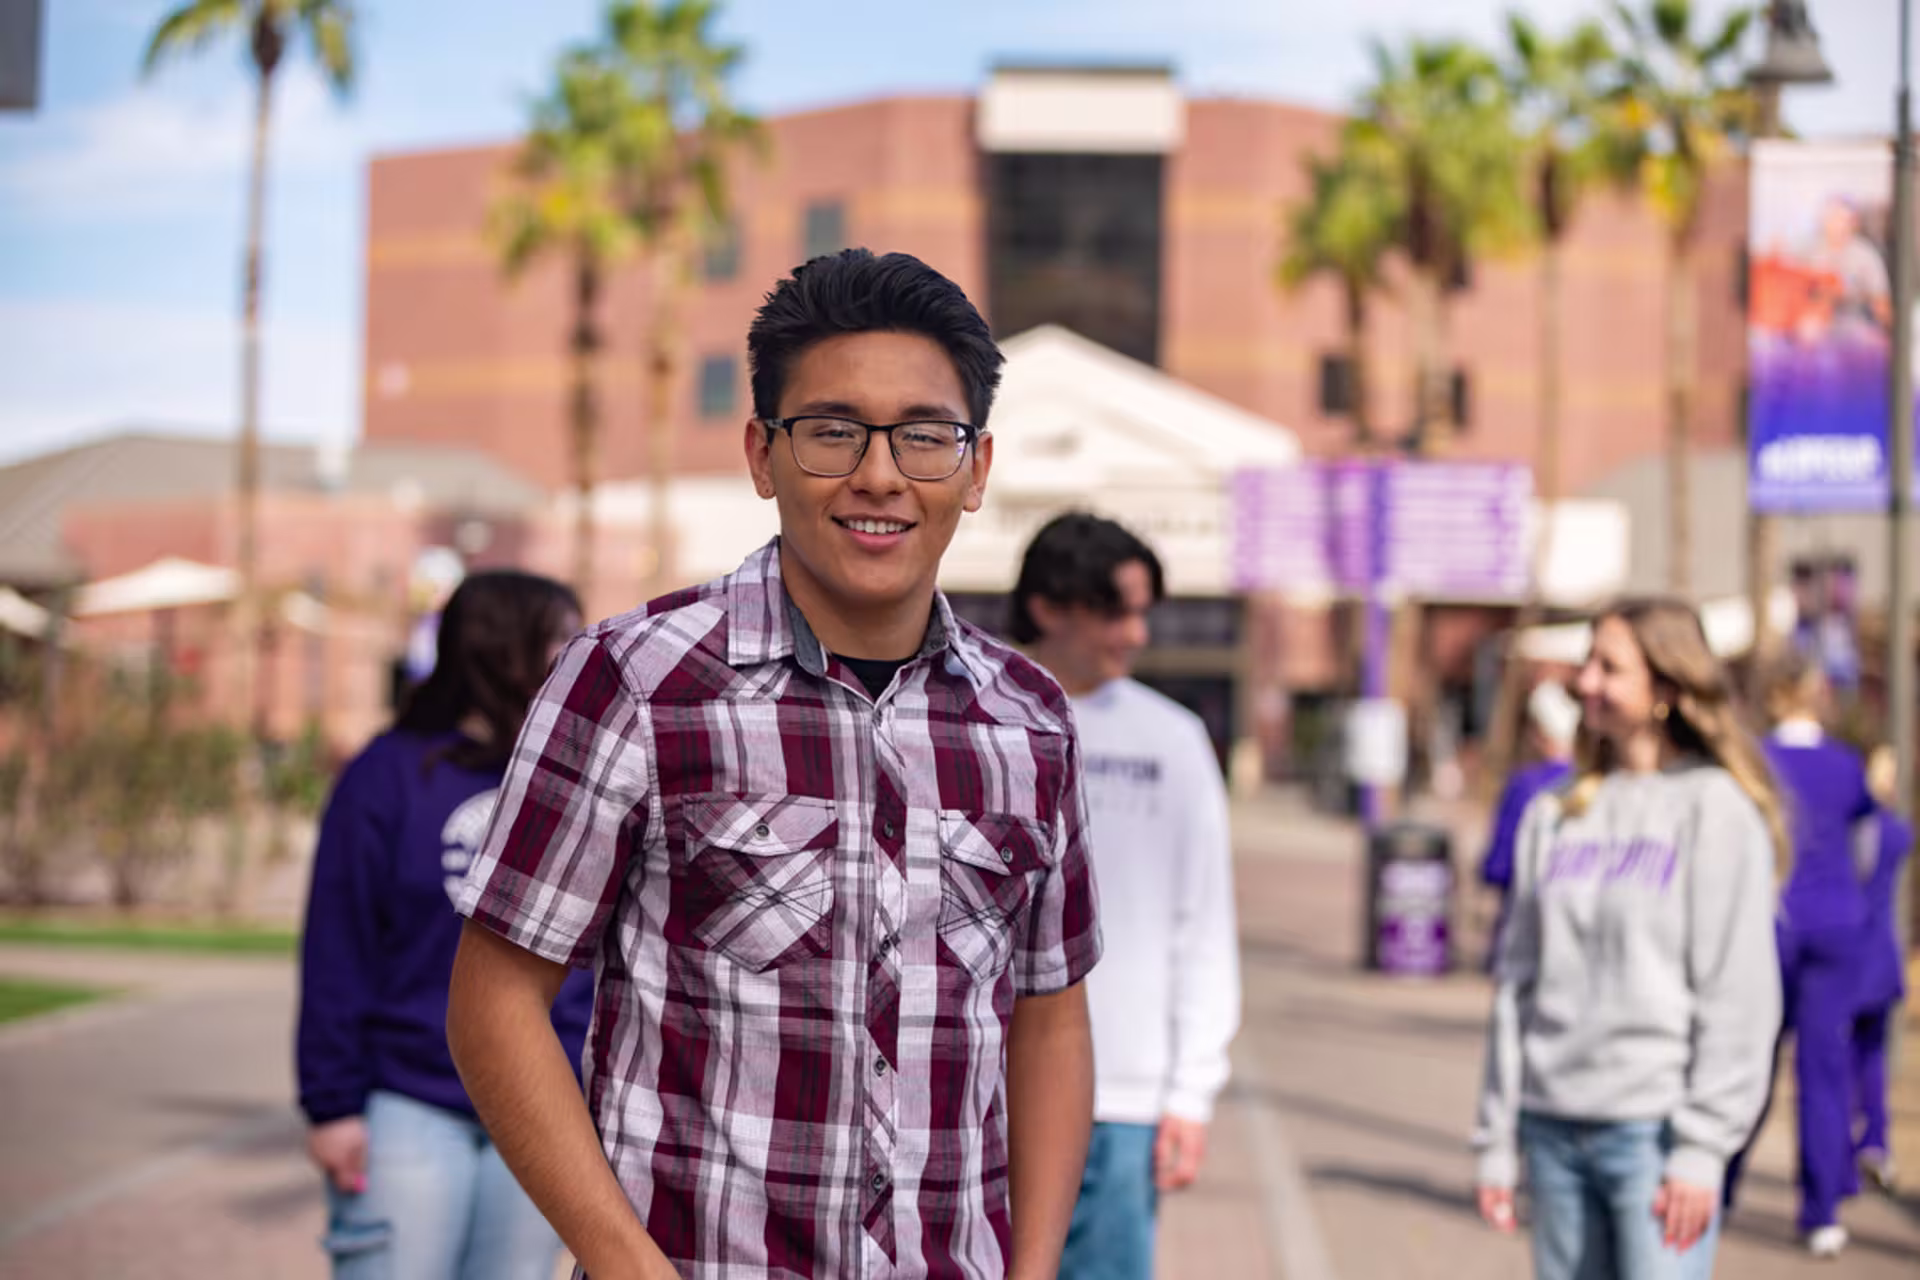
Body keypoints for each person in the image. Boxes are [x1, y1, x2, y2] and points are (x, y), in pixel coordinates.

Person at [444, 248, 1102, 1280]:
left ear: (975, 469)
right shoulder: (636, 684)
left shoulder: (1031, 722)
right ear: (763, 454)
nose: (879, 473)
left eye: (924, 435)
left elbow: (1051, 1018)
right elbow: (493, 999)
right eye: (833, 430)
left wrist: (1032, 1267)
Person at [1473, 599, 1784, 1280]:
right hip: (1551, 1129)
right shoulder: (1554, 814)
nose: (1584, 681)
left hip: (1654, 1136)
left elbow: (1739, 994)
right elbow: (1516, 985)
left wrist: (1704, 1147)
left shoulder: (1715, 810)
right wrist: (1496, 1136)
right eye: (1586, 662)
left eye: (1609, 667)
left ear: (1667, 690)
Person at [297, 569, 595, 1280]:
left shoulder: (573, 775)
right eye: (561, 637)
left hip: (541, 1106)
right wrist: (332, 1107)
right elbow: (336, 947)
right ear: (500, 647)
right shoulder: (385, 775)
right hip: (406, 1103)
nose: (579, 654)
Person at [1011, 513, 1240, 1280]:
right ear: (1049, 607)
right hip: (985, 1092)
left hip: (1126, 1098)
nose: (1136, 633)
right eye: (1117, 610)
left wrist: (1191, 1091)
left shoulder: (1172, 740)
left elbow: (1202, 922)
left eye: (1145, 612)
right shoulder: (982, 716)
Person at [1757, 649, 1879, 1258]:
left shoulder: (1755, 761)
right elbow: (1865, 843)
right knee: (1824, 1074)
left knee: (1750, 1062)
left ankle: (1717, 1187)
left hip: (1771, 926)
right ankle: (1821, 1211)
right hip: (1836, 924)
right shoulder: (1844, 765)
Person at [1478, 680, 1579, 969]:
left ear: (1539, 733)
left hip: (1524, 907)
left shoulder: (1525, 785)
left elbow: (1503, 857)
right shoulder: (1591, 784)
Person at [1853, 746, 1910, 1196]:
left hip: (1852, 958)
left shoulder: (1856, 829)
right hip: (1881, 956)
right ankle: (1875, 1141)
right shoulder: (1895, 831)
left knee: (1840, 1064)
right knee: (1872, 1058)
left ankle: (1843, 1158)